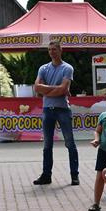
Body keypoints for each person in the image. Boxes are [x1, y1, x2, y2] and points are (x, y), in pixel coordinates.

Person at [33, 40, 79, 186]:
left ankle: (74, 175)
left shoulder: (67, 68)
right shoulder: (43, 68)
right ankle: (46, 175)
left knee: (69, 143)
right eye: (49, 49)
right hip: (48, 109)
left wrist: (46, 92)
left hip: (62, 109)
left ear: (60, 50)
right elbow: (37, 88)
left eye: (54, 49)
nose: (52, 52)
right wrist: (56, 90)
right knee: (47, 145)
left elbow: (63, 89)